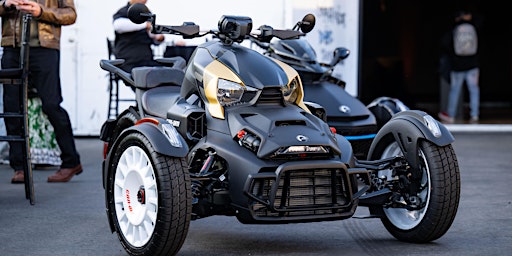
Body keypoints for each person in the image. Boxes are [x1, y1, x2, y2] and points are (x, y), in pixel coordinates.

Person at [1, 0, 82, 183]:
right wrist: (6, 4)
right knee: (12, 107)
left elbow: (70, 15)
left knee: (52, 105)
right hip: (12, 48)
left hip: (45, 49)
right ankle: (19, 167)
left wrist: (41, 11)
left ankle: (71, 162)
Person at [438, 10, 480, 124]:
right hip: (473, 64)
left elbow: (445, 42)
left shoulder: (455, 28)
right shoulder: (474, 26)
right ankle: (474, 115)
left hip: (457, 65)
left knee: (455, 90)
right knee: (474, 90)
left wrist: (452, 56)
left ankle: (451, 115)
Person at [113, 0, 165, 74]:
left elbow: (151, 33)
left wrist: (158, 38)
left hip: (146, 59)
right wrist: (144, 25)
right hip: (128, 60)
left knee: (164, 74)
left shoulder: (147, 13)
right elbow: (118, 25)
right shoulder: (123, 11)